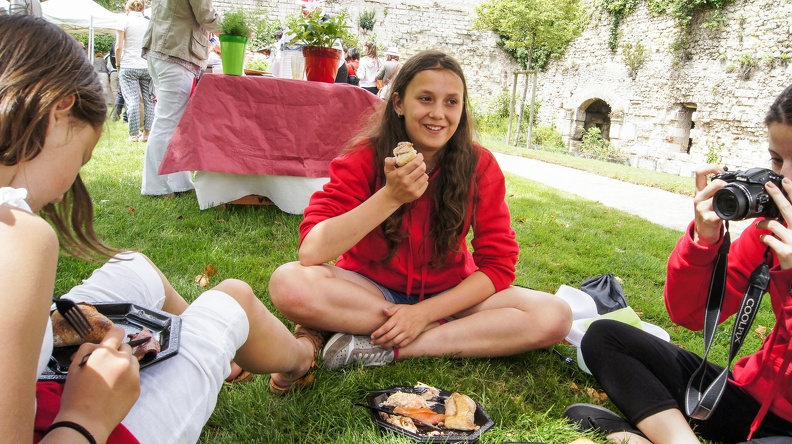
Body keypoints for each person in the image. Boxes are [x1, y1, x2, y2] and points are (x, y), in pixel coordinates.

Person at [0, 15, 321, 443]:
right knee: (233, 299)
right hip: (76, 426)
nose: (68, 188)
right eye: (81, 160)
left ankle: (206, 351)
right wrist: (86, 415)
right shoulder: (19, 238)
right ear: (60, 109)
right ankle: (299, 358)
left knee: (133, 267)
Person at [267, 50, 572, 392]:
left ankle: (388, 346)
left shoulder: (479, 165)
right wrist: (391, 196)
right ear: (398, 103)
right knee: (288, 283)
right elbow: (312, 250)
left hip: (450, 294)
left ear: (462, 108)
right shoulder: (364, 156)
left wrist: (423, 314)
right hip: (369, 290)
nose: (438, 114)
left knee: (554, 315)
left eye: (451, 102)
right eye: (425, 99)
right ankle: (402, 330)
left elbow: (499, 264)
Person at [564, 85, 792, 443]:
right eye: (777, 161)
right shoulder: (771, 232)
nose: (785, 180)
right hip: (750, 398)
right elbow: (690, 315)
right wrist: (704, 242)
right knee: (605, 337)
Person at [140, 0, 220, 196]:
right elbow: (207, 16)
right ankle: (156, 186)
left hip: (164, 51)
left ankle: (179, 183)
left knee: (174, 123)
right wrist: (237, 30)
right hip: (175, 53)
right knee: (167, 123)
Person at [116, 0, 153, 143]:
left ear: (128, 7)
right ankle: (147, 133)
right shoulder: (148, 23)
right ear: (143, 8)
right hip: (146, 64)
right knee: (149, 100)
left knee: (132, 100)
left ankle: (134, 134)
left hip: (129, 64)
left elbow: (119, 46)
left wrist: (118, 64)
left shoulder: (123, 21)